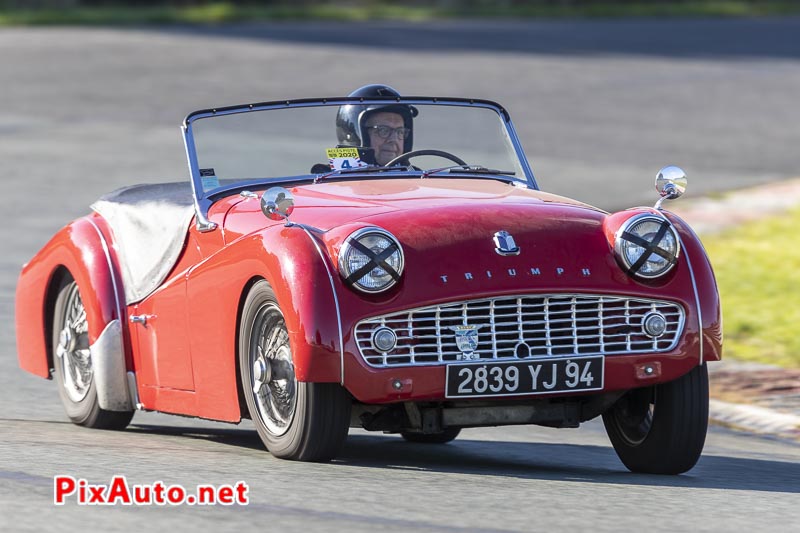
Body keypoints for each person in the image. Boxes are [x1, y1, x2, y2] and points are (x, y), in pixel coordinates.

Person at [336, 84, 418, 166]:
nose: (394, 139)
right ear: (355, 135)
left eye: (400, 132)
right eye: (383, 130)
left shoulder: (417, 176)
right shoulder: (330, 177)